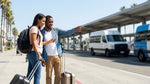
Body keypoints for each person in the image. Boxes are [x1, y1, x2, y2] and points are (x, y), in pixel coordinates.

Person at [42, 15, 81, 84]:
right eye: (49, 22)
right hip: (48, 57)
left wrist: (75, 29)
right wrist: (42, 58)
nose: (51, 23)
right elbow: (40, 45)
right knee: (48, 76)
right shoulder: (42, 32)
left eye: (52, 22)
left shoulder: (56, 30)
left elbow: (66, 32)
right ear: (45, 22)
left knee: (58, 76)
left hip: (57, 56)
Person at [26, 13, 55, 84]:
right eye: (43, 21)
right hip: (35, 53)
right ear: (38, 20)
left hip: (33, 53)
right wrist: (39, 55)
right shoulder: (34, 29)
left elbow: (39, 43)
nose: (44, 23)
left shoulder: (37, 29)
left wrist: (49, 41)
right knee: (37, 76)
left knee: (29, 75)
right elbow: (33, 43)